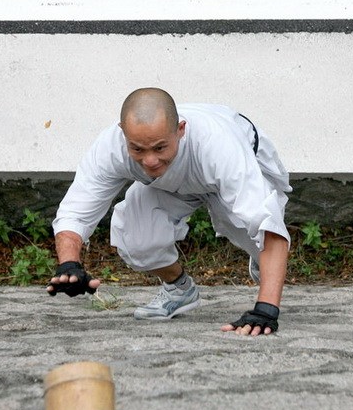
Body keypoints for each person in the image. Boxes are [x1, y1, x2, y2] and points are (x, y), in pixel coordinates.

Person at [47, 88, 292, 336]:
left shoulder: (220, 146)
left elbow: (268, 225)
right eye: (138, 150)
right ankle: (179, 289)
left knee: (259, 240)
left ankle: (264, 268)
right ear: (123, 132)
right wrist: (69, 264)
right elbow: (75, 213)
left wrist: (265, 311)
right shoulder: (110, 148)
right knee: (137, 238)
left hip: (228, 168)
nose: (150, 160)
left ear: (181, 130)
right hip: (169, 184)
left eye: (159, 148)